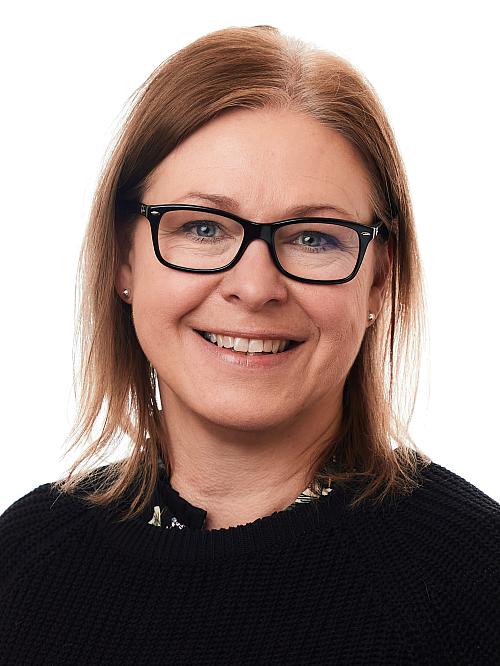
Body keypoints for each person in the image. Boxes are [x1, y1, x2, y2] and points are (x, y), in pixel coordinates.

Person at [1, 25, 498, 665]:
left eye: (314, 238)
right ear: (123, 257)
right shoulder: (25, 562)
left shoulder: (474, 580)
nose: (256, 287)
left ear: (380, 279)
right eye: (204, 228)